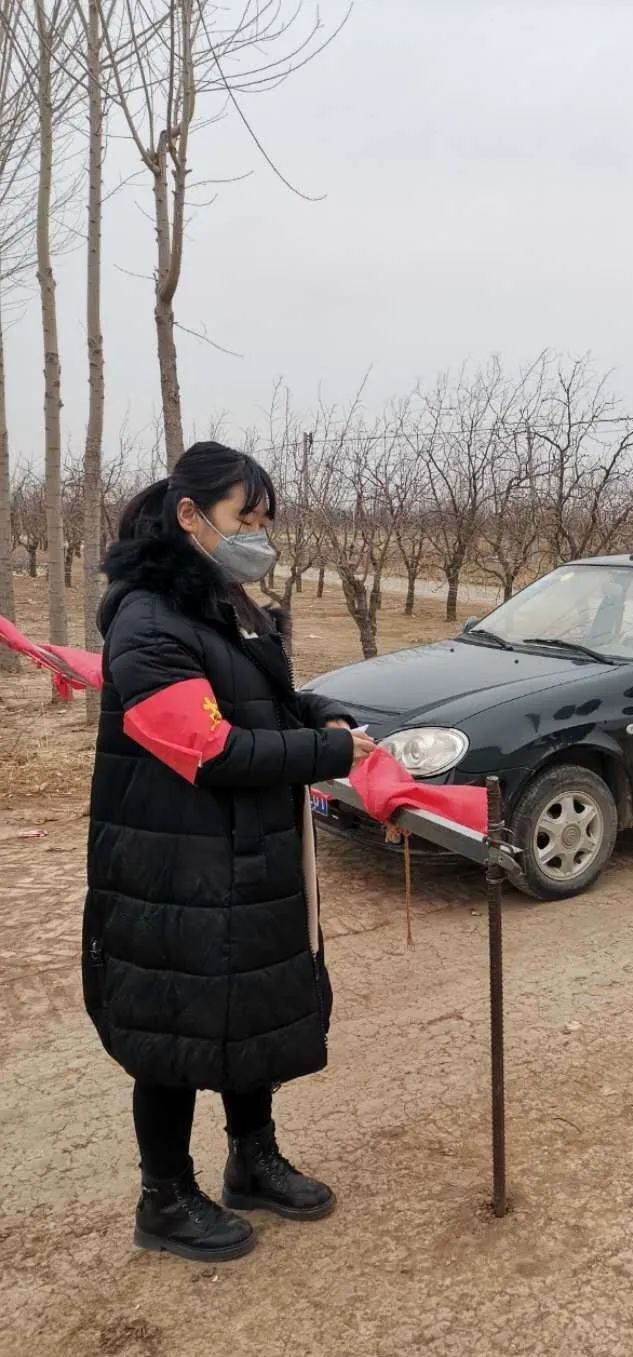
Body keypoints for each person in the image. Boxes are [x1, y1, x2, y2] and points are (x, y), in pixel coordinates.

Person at [82, 441, 376, 1263]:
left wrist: (323, 713)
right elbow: (208, 750)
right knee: (174, 1026)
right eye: (244, 517)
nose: (259, 534)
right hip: (175, 863)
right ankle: (165, 1197)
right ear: (189, 517)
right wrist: (330, 755)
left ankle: (253, 1158)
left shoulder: (229, 603)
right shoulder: (147, 616)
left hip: (246, 855)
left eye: (264, 520)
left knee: (249, 1009)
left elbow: (262, 700)